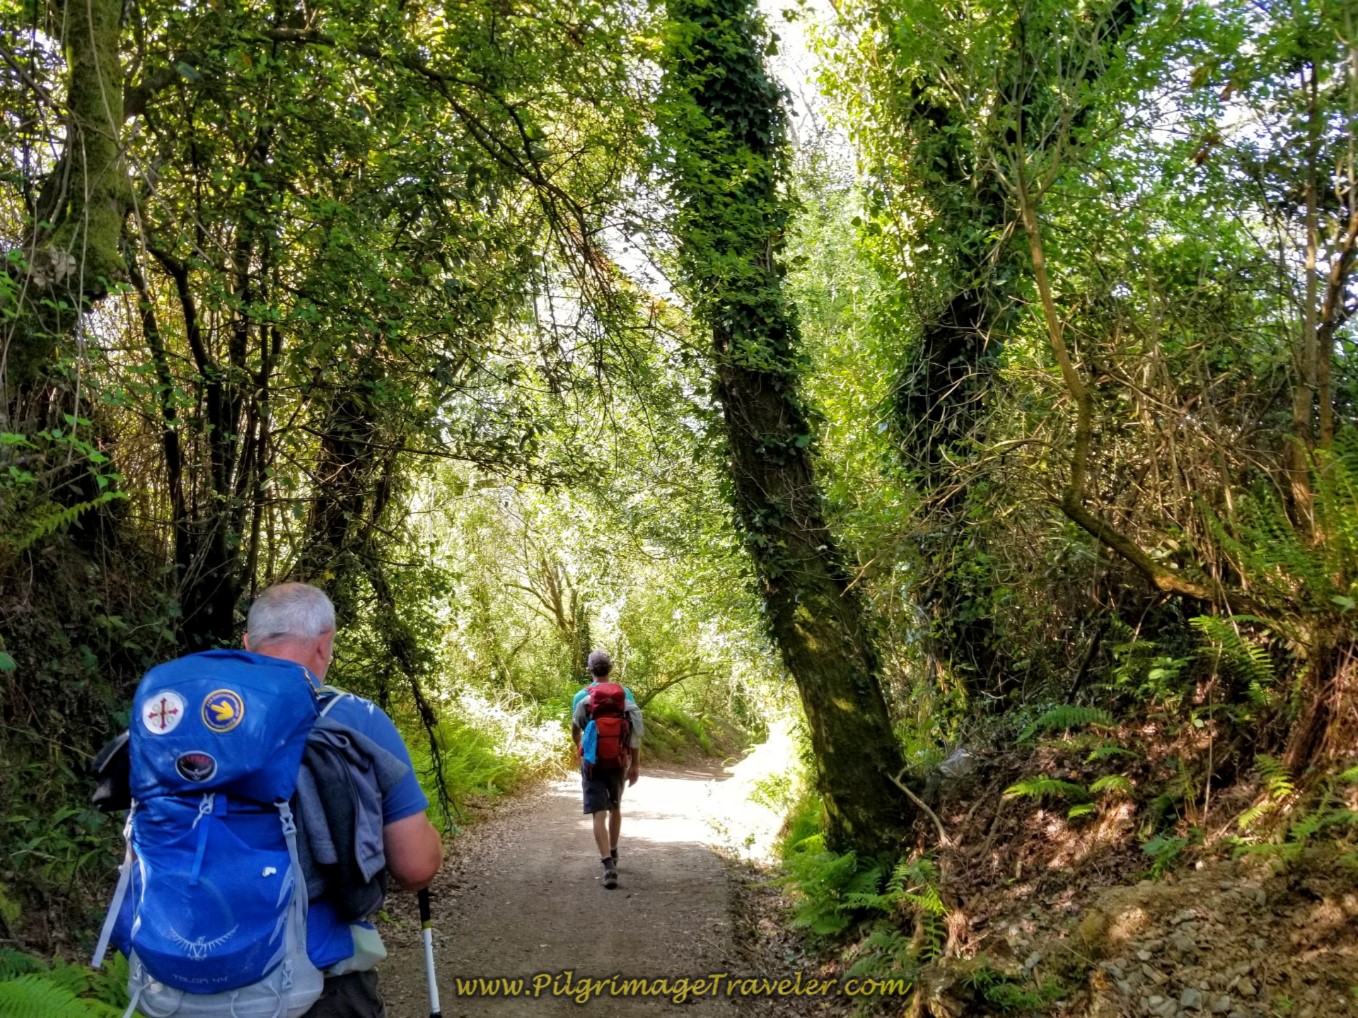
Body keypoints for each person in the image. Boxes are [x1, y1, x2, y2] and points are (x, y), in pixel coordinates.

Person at [244, 582, 443, 1017]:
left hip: (184, 986)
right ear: (325, 644)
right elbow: (415, 866)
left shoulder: (186, 722)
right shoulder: (354, 720)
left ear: (246, 645)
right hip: (317, 986)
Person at [570, 649, 642, 889]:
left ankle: (607, 864)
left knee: (598, 813)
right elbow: (634, 732)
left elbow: (576, 728)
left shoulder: (582, 696)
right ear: (610, 670)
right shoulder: (625, 694)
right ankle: (614, 850)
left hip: (592, 763)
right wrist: (635, 764)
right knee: (616, 807)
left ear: (590, 670)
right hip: (618, 760)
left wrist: (581, 747)